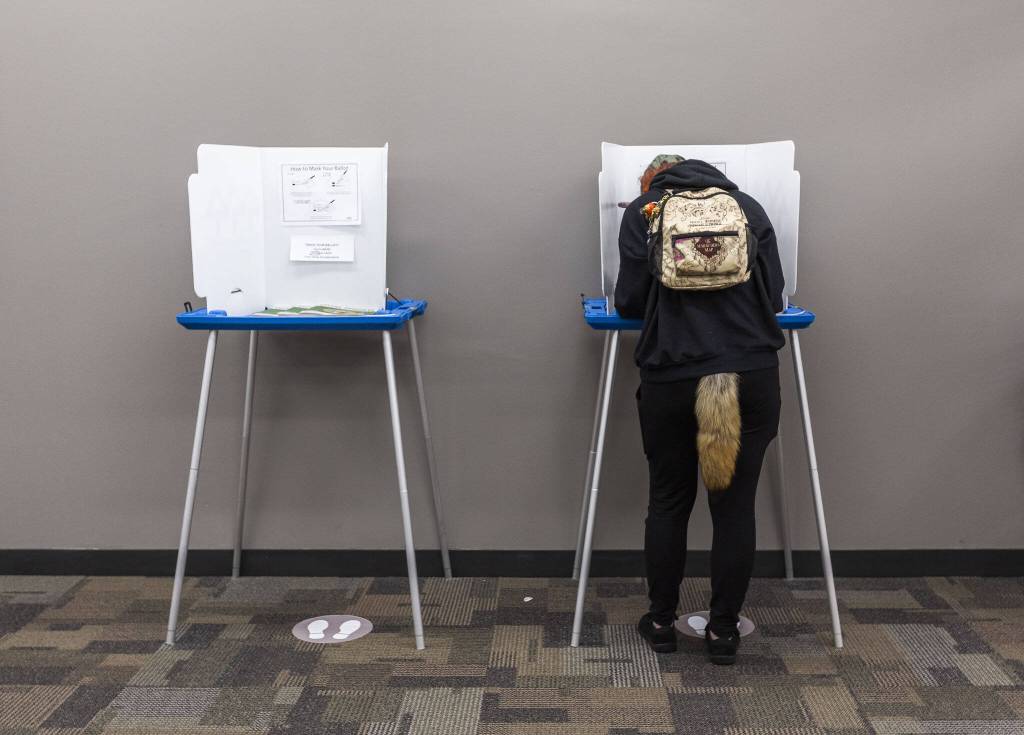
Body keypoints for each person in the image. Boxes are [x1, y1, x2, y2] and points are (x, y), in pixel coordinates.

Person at [615, 155, 785, 664]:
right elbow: (773, 298)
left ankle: (662, 623)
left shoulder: (645, 211)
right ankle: (724, 631)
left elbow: (629, 301)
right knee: (733, 508)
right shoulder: (748, 208)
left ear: (652, 180)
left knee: (669, 500)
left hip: (674, 376)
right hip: (747, 376)